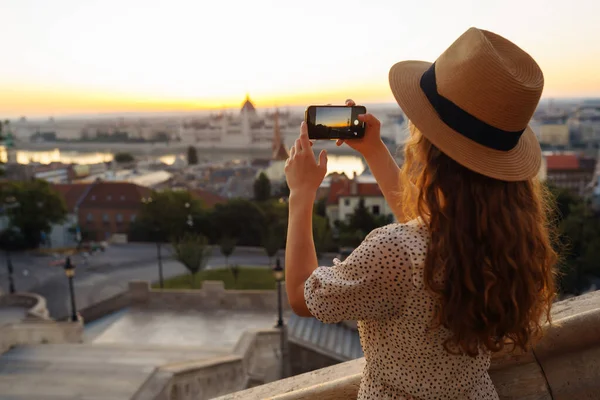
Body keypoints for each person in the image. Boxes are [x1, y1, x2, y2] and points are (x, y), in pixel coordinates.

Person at [284, 27, 557, 399]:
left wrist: (300, 195)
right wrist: (375, 152)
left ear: (429, 148)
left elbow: (303, 297)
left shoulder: (393, 252)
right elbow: (427, 233)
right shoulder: (507, 239)